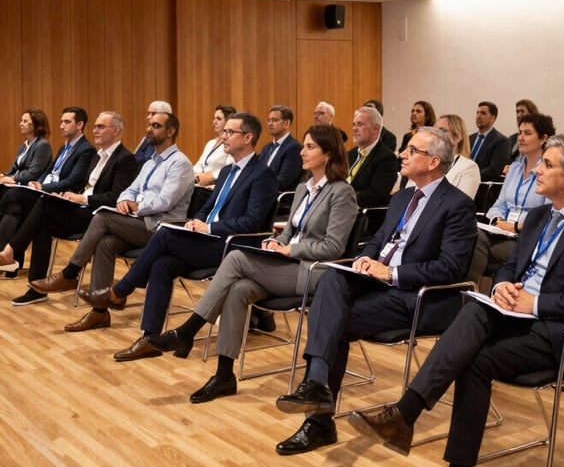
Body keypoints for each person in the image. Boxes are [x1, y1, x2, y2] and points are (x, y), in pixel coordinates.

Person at [349, 134, 564, 467]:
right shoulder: (538, 216)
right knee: (476, 311)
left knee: (475, 357)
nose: (536, 170)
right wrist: (501, 287)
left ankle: (421, 431)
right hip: (514, 317)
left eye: (546, 164)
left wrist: (536, 302)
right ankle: (448, 465)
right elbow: (510, 267)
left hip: (563, 334)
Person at [273, 126, 476, 456]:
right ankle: (318, 388)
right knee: (332, 279)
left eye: (412, 150)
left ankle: (318, 417)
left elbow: (451, 269)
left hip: (416, 296)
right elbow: (378, 242)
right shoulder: (402, 199)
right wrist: (366, 260)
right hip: (376, 283)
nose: (402, 154)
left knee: (332, 319)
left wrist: (392, 272)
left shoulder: (457, 205)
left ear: (434, 160)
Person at [145, 125, 358, 402]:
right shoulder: (303, 188)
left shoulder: (342, 192)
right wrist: (275, 242)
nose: (302, 152)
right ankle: (224, 375)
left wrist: (288, 249)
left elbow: (333, 247)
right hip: (288, 265)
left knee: (235, 257)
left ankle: (187, 331)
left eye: (309, 147)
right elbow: (289, 232)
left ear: (328, 154)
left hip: (316, 272)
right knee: (238, 290)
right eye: (303, 146)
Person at [78, 112, 278, 358]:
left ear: (248, 137)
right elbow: (209, 207)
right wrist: (197, 221)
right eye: (224, 131)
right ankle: (150, 338)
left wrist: (210, 228)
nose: (223, 136)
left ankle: (121, 291)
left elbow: (253, 222)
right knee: (162, 264)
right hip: (208, 240)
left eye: (229, 132)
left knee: (164, 235)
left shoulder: (262, 174)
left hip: (232, 248)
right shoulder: (226, 172)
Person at [29, 111, 194, 331]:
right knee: (106, 242)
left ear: (171, 131)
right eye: (149, 125)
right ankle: (99, 313)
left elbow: (166, 201)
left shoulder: (180, 163)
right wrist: (126, 201)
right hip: (138, 222)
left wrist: (137, 205)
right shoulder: (148, 163)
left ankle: (70, 274)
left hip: (161, 229)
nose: (149, 130)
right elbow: (129, 190)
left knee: (103, 217)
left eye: (156, 125)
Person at [1, 111, 138, 305]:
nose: (95, 130)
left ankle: (11, 251)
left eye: (100, 127)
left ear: (115, 130)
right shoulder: (98, 156)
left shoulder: (125, 159)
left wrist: (81, 198)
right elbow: (84, 185)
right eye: (95, 126)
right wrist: (68, 196)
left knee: (44, 204)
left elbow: (116, 197)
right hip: (82, 208)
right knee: (43, 223)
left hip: (99, 216)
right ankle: (35, 287)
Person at [0, 106, 96, 272]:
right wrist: (37, 183)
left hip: (61, 198)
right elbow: (49, 171)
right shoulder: (63, 148)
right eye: (61, 122)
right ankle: (9, 258)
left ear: (79, 124)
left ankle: (9, 255)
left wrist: (43, 186)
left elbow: (74, 181)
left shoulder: (86, 149)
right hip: (44, 191)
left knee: (14, 195)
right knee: (10, 200)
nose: (61, 125)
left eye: (67, 122)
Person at [468, 112, 555, 284]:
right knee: (472, 235)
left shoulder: (548, 171)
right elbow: (499, 203)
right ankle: (470, 292)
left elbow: (548, 214)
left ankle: (468, 292)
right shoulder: (514, 168)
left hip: (526, 236)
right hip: (501, 231)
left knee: (476, 247)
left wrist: (515, 225)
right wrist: (496, 220)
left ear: (543, 138)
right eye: (520, 132)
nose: (520, 138)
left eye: (527, 133)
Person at [347, 107, 399, 207]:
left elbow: (376, 195)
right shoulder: (349, 154)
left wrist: (343, 198)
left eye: (360, 124)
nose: (354, 128)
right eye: (353, 124)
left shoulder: (387, 158)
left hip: (364, 215)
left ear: (376, 128)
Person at [424, 114, 481, 198]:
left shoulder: (469, 167)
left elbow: (462, 203)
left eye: (442, 130)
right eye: (434, 130)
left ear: (457, 137)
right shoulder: (426, 162)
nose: (436, 134)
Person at [0, 107, 53, 187]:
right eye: (21, 121)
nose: (21, 124)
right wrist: (3, 175)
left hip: (30, 186)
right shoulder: (23, 146)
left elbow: (33, 172)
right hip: (17, 183)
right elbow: (13, 169)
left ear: (36, 124)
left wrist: (12, 178)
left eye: (25, 121)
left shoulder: (43, 145)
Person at [258, 105, 303, 191]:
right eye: (269, 120)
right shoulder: (266, 148)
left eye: (274, 120)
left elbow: (283, 181)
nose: (270, 124)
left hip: (278, 198)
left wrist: (258, 186)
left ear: (286, 123)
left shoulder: (293, 148)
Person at [192, 105, 236, 187]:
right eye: (214, 118)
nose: (214, 121)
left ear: (228, 121)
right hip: (199, 183)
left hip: (215, 185)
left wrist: (211, 177)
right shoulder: (211, 143)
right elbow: (200, 164)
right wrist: (194, 175)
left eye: (218, 119)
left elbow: (230, 168)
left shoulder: (231, 144)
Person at [468, 101, 508, 181]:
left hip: (483, 186)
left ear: (493, 118)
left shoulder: (500, 140)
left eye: (483, 113)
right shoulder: (469, 138)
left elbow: (494, 169)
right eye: (477, 112)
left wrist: (471, 177)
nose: (478, 116)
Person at [502, 99, 539, 173]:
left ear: (531, 114)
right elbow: (508, 161)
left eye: (522, 111)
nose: (519, 115)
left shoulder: (538, 137)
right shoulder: (512, 138)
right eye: (517, 112)